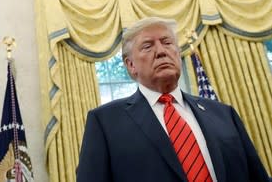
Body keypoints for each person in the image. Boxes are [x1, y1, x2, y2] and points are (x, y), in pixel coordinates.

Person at [76, 17, 270, 182]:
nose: (161, 51)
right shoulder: (105, 122)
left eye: (167, 43)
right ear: (131, 65)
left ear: (178, 53)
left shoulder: (223, 113)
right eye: (147, 46)